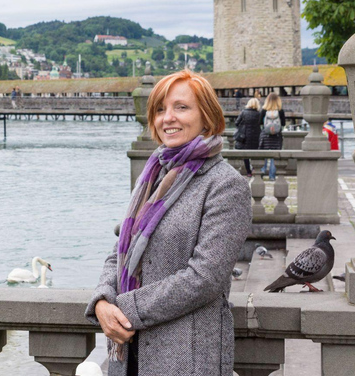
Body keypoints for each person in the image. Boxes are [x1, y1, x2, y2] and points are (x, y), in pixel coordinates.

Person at [85, 69, 252, 375]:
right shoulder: (152, 177)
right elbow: (120, 248)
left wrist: (126, 309)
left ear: (208, 117)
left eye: (181, 107)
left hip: (184, 358)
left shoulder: (225, 185)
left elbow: (205, 277)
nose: (168, 118)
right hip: (127, 357)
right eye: (160, 109)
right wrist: (103, 301)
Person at [258, 92, 286, 180]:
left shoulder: (264, 110)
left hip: (265, 136)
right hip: (277, 136)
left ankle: (262, 170)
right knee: (274, 156)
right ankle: (272, 176)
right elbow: (284, 123)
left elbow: (260, 123)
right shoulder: (280, 111)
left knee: (264, 154)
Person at [235, 98, 262, 177]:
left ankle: (248, 172)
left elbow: (237, 123)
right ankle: (254, 169)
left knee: (246, 155)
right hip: (256, 136)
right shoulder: (258, 114)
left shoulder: (243, 112)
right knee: (255, 154)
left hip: (245, 136)